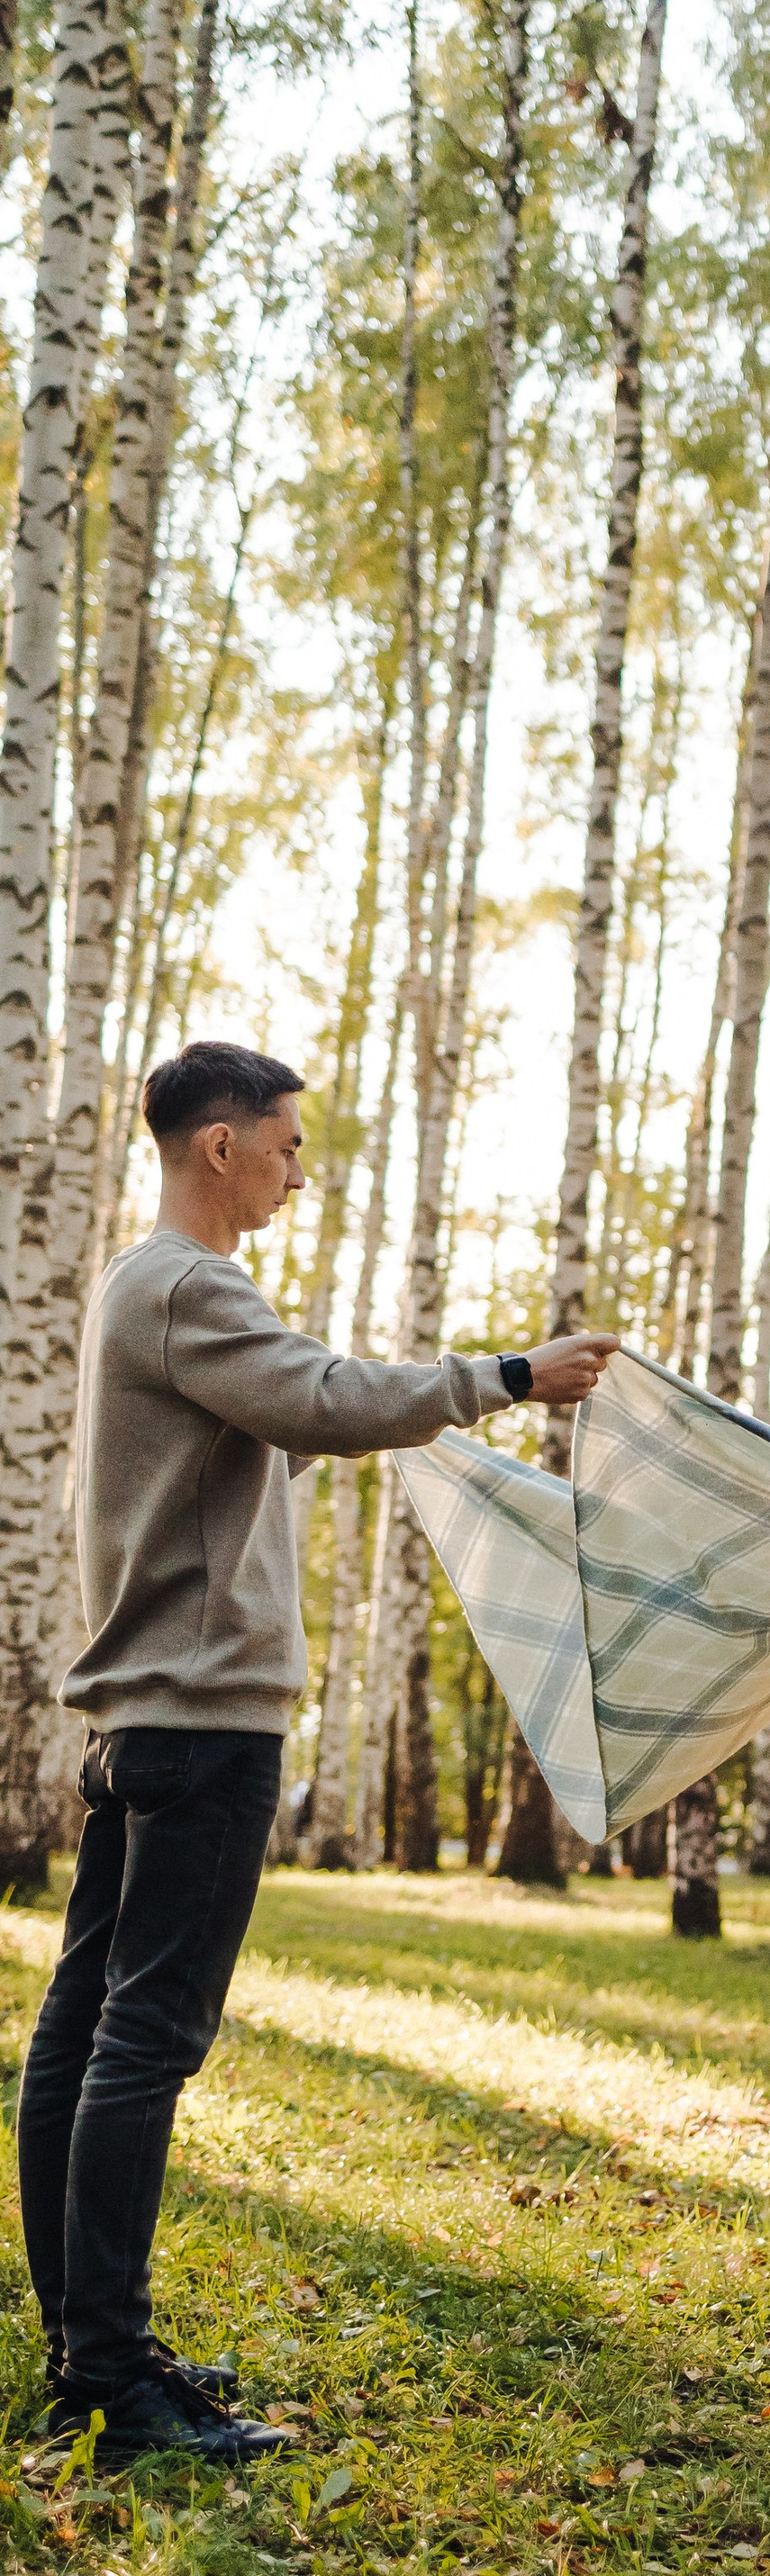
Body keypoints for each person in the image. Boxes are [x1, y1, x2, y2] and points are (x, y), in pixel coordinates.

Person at [23, 1042, 619, 2466]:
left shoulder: (135, 1287)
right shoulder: (189, 1281)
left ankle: (90, 2350)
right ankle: (109, 2385)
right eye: (287, 1142)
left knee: (85, 2031)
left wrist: (396, 1426)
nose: (301, 1164)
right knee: (143, 2045)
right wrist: (506, 1378)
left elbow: (276, 1434)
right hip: (203, 1718)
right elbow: (322, 1395)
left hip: (140, 1718)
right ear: (217, 1145)